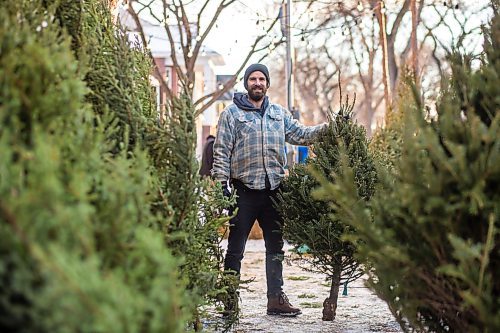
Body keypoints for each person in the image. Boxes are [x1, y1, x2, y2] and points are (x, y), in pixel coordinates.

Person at [212, 63, 327, 317]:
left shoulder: (279, 114)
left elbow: (302, 134)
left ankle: (275, 299)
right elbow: (221, 152)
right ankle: (229, 300)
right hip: (243, 191)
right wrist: (222, 185)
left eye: (261, 79)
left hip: (274, 190)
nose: (257, 83)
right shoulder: (231, 114)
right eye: (252, 79)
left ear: (267, 84)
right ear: (246, 83)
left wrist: (328, 127)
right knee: (235, 249)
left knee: (275, 247)